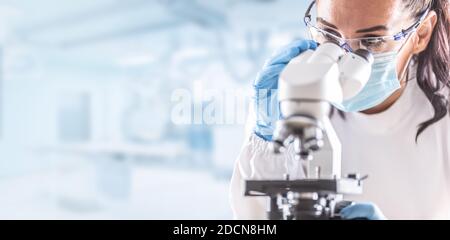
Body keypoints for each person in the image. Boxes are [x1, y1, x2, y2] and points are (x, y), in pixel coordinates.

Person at [230, 0, 450, 220]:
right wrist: (265, 142)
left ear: (420, 34)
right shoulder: (289, 102)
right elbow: (255, 218)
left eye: (371, 41)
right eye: (329, 35)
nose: (345, 57)